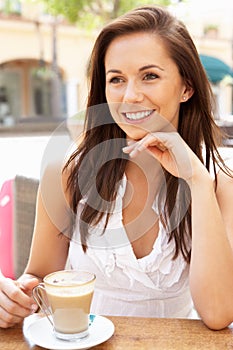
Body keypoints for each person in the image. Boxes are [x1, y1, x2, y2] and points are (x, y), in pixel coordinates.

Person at [1, 5, 233, 330]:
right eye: (116, 79)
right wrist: (13, 298)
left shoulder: (218, 182)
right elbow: (40, 280)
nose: (130, 95)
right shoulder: (67, 171)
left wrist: (195, 178)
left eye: (149, 76)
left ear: (186, 87)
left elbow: (219, 313)